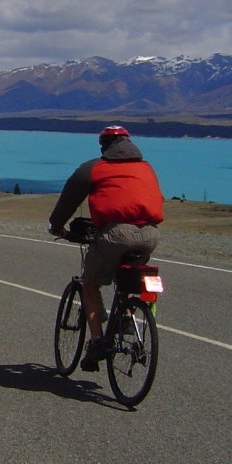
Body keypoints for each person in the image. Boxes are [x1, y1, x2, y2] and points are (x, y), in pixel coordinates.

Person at [48, 125, 164, 371]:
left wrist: (57, 226)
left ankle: (97, 340)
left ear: (104, 145)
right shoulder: (146, 168)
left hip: (116, 234)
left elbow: (69, 198)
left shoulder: (95, 168)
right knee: (129, 279)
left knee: (90, 283)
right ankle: (125, 315)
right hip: (151, 233)